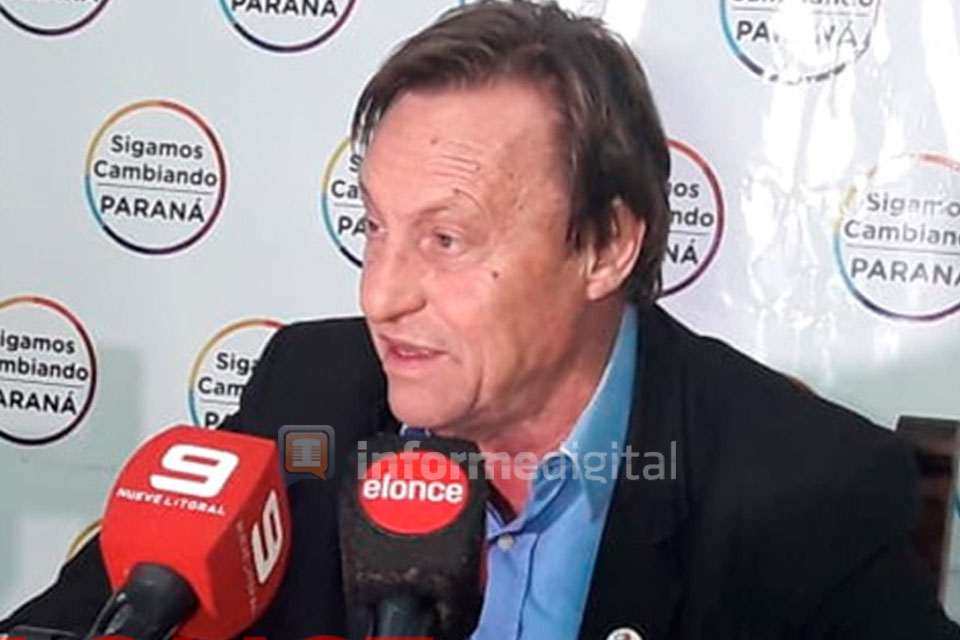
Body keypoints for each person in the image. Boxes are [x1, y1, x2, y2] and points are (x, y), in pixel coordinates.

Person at [3, 1, 959, 639]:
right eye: (375, 227)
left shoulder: (802, 496)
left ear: (605, 246)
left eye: (448, 239)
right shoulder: (307, 389)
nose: (382, 295)